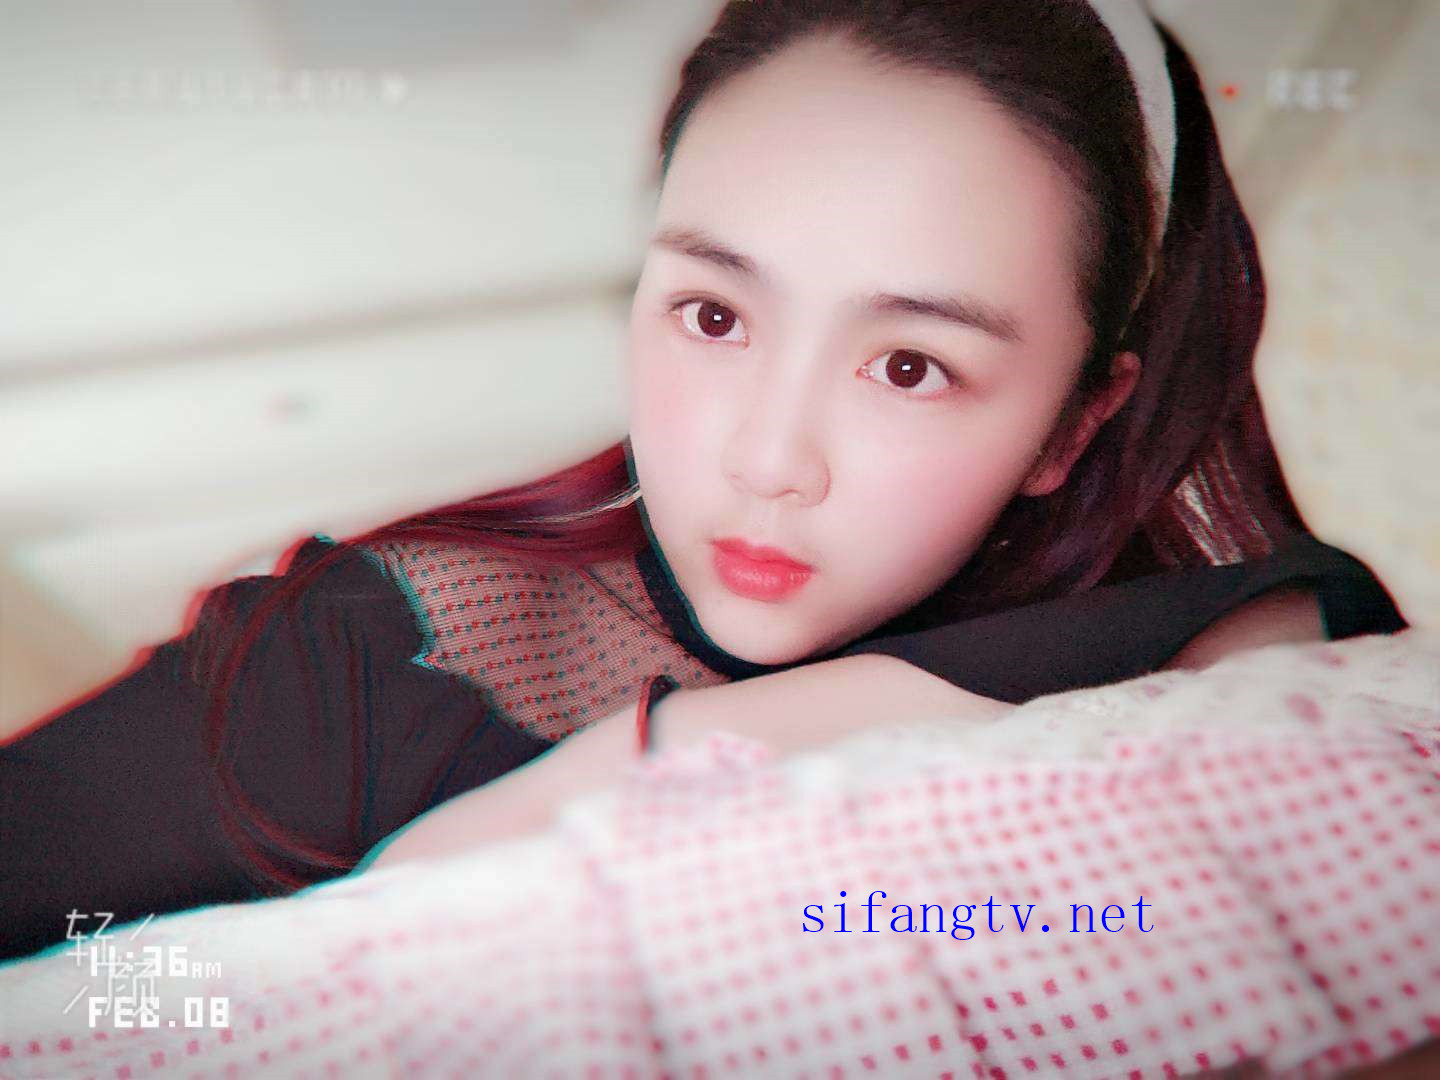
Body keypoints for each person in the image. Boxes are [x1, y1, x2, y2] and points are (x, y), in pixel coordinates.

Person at [0, 0, 1408, 963]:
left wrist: (685, 754)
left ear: (1071, 427)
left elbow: (1299, 654)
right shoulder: (373, 657)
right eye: (715, 316)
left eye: (909, 365)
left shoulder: (1212, 667)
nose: (767, 460)